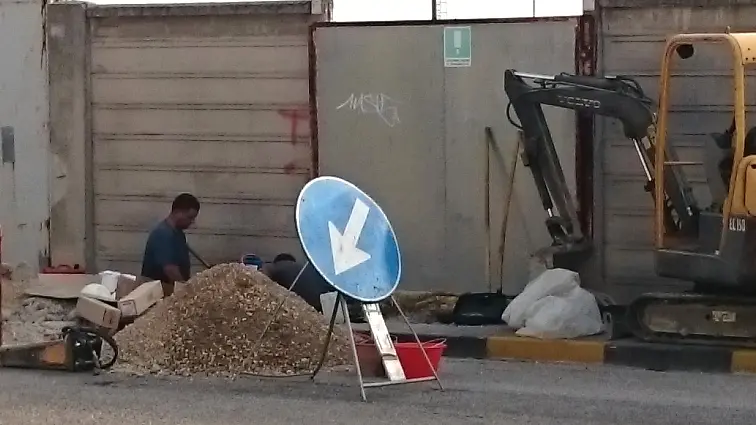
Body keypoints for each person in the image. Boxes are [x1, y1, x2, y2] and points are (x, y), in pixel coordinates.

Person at [140, 193, 200, 297]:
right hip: (158, 294)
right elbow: (170, 269)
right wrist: (187, 292)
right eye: (190, 217)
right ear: (178, 212)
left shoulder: (178, 234)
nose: (192, 222)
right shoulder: (163, 234)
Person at [261, 253, 333, 312]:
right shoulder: (301, 269)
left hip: (308, 305)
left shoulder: (278, 266)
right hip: (321, 304)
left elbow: (262, 272)